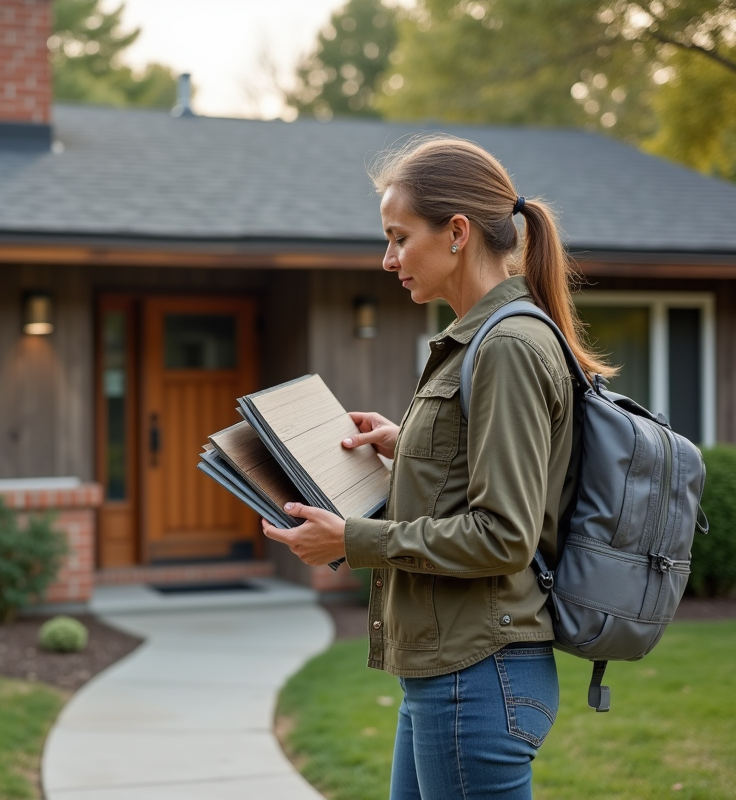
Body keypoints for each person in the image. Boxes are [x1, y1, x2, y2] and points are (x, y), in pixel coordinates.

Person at [262, 136, 615, 799]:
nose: (387, 258)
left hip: (476, 676)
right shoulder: (479, 338)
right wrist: (408, 446)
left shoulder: (507, 344)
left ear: (456, 232)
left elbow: (503, 535)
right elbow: (483, 478)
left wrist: (350, 540)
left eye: (399, 238)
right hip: (453, 672)